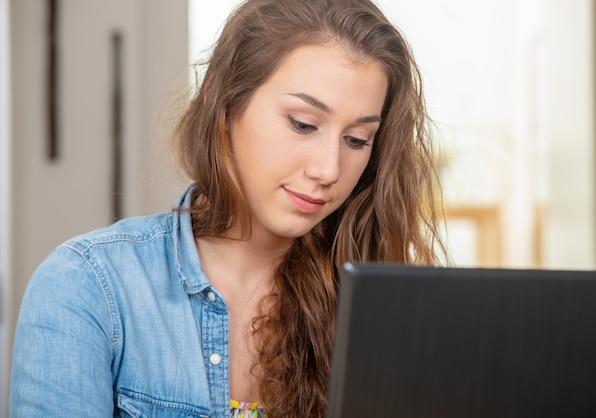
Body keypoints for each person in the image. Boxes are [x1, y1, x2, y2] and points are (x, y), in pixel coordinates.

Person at [9, 0, 446, 416]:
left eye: (357, 140)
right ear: (225, 102)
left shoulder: (379, 306)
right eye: (303, 124)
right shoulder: (88, 287)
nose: (329, 169)